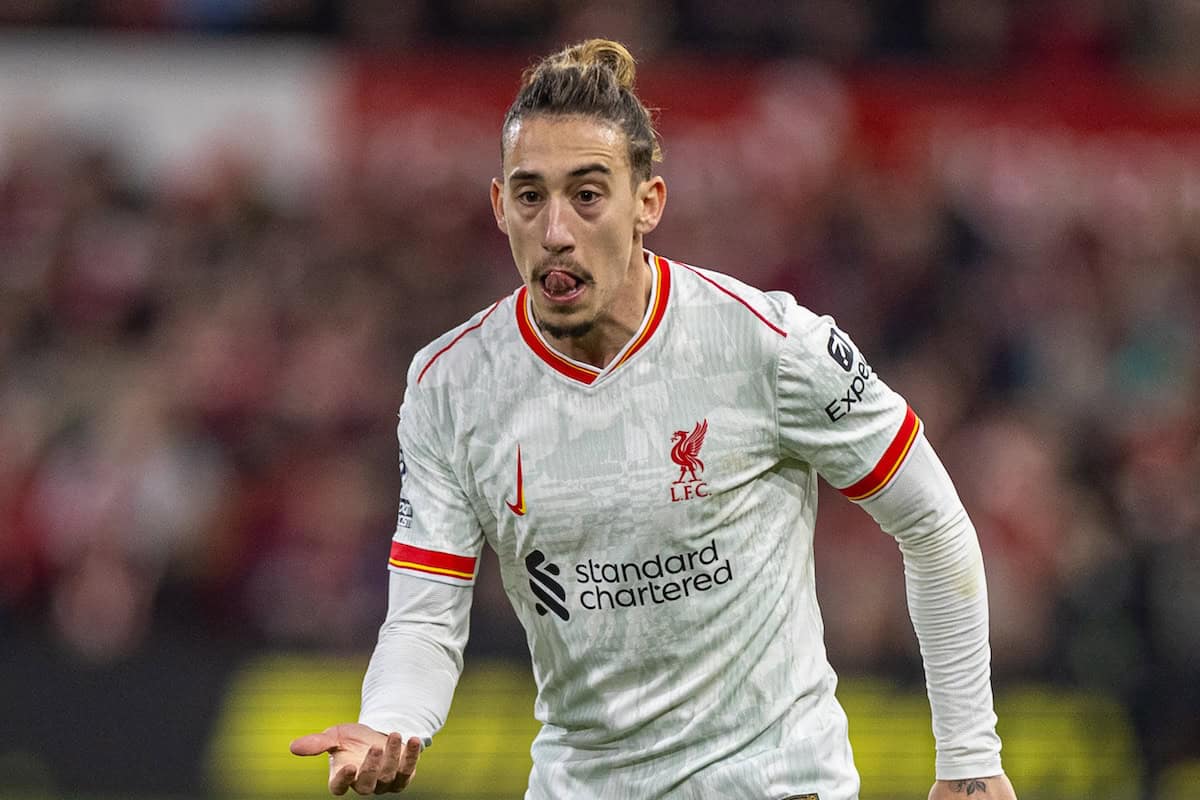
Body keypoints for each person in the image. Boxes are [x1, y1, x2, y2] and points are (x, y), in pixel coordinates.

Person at [290, 39, 1019, 800]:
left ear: (648, 202)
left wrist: (968, 755)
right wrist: (389, 720)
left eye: (588, 193)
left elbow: (933, 524)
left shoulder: (767, 344)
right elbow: (425, 617)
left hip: (774, 783)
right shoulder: (450, 386)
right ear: (501, 206)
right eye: (531, 196)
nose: (557, 231)